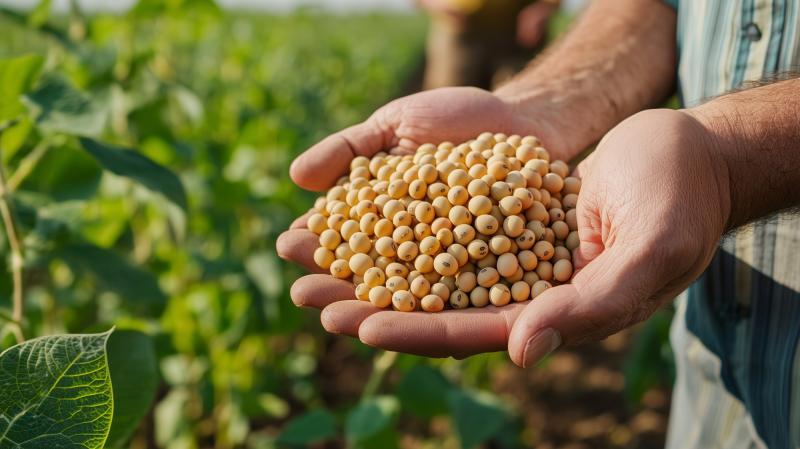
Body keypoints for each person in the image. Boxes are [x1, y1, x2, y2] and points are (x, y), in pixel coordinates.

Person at [277, 0, 800, 447]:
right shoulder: (460, 206)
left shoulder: (514, 220)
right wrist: (540, 104)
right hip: (710, 384)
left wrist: (727, 162)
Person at [418, 0, 562, 89]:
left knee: (517, 89)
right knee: (450, 89)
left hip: (517, 26)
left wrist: (542, 8)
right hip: (459, 23)